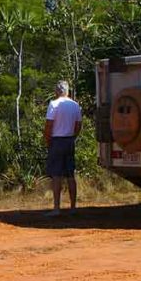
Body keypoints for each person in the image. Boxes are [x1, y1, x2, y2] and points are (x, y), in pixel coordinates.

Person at [44, 80, 82, 215]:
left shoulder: (54, 104)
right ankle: (73, 207)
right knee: (70, 174)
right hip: (69, 140)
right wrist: (73, 137)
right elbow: (78, 125)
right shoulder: (75, 105)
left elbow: (49, 124)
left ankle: (56, 208)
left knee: (56, 175)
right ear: (67, 91)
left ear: (56, 91)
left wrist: (48, 140)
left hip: (57, 140)